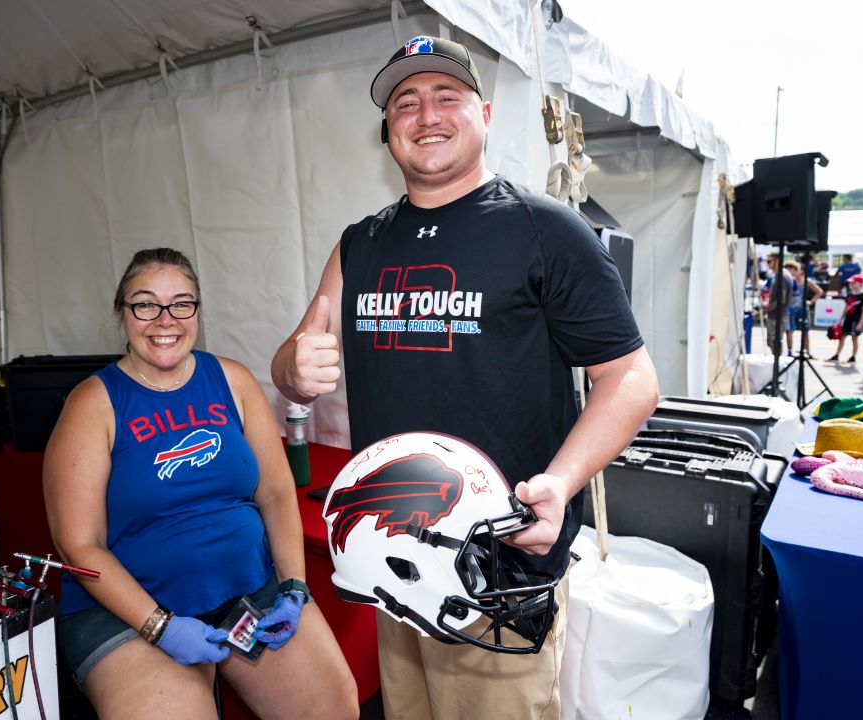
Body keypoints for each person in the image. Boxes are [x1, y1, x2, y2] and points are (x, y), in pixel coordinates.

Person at [270, 36, 659, 720]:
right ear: (388, 131)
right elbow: (297, 360)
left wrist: (561, 485)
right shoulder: (360, 243)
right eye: (405, 103)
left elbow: (630, 379)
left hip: (497, 568)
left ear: (482, 113)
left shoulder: (545, 230)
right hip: (394, 560)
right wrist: (295, 368)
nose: (426, 115)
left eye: (446, 97)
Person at [44, 248, 358, 720]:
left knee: (334, 711)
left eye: (181, 304)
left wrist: (294, 587)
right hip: (130, 609)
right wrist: (159, 627)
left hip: (249, 591)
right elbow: (78, 545)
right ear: (122, 313)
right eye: (145, 304)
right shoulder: (93, 404)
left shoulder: (231, 380)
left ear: (197, 311)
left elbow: (275, 494)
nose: (164, 319)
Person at [785, 259, 823, 357]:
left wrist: (811, 301)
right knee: (790, 330)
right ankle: (790, 351)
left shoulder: (807, 281)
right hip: (792, 309)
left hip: (802, 309)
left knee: (805, 331)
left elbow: (819, 291)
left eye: (796, 269)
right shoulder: (789, 280)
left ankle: (807, 352)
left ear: (801, 271)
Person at [827, 274, 863, 362]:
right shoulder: (849, 295)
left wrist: (860, 323)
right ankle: (837, 355)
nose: (852, 284)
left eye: (854, 282)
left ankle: (853, 357)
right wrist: (840, 320)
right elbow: (846, 308)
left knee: (854, 338)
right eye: (852, 282)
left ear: (860, 283)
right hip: (848, 319)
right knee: (842, 337)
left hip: (856, 320)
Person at [762, 254, 795, 355]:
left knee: (775, 343)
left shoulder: (782, 276)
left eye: (769, 261)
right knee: (773, 343)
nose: (768, 264)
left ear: (777, 261)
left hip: (777, 316)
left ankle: (778, 368)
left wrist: (766, 310)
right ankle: (777, 366)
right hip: (777, 315)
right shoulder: (779, 275)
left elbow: (781, 299)